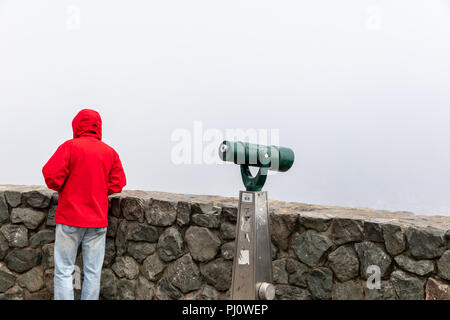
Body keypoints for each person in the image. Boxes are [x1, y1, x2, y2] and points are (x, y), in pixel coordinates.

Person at [42, 109, 126, 300]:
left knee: (64, 271)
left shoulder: (70, 147)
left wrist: (66, 186)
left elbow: (51, 176)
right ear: (99, 127)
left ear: (77, 125)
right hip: (97, 221)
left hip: (70, 218)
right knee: (93, 273)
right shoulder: (110, 152)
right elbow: (117, 183)